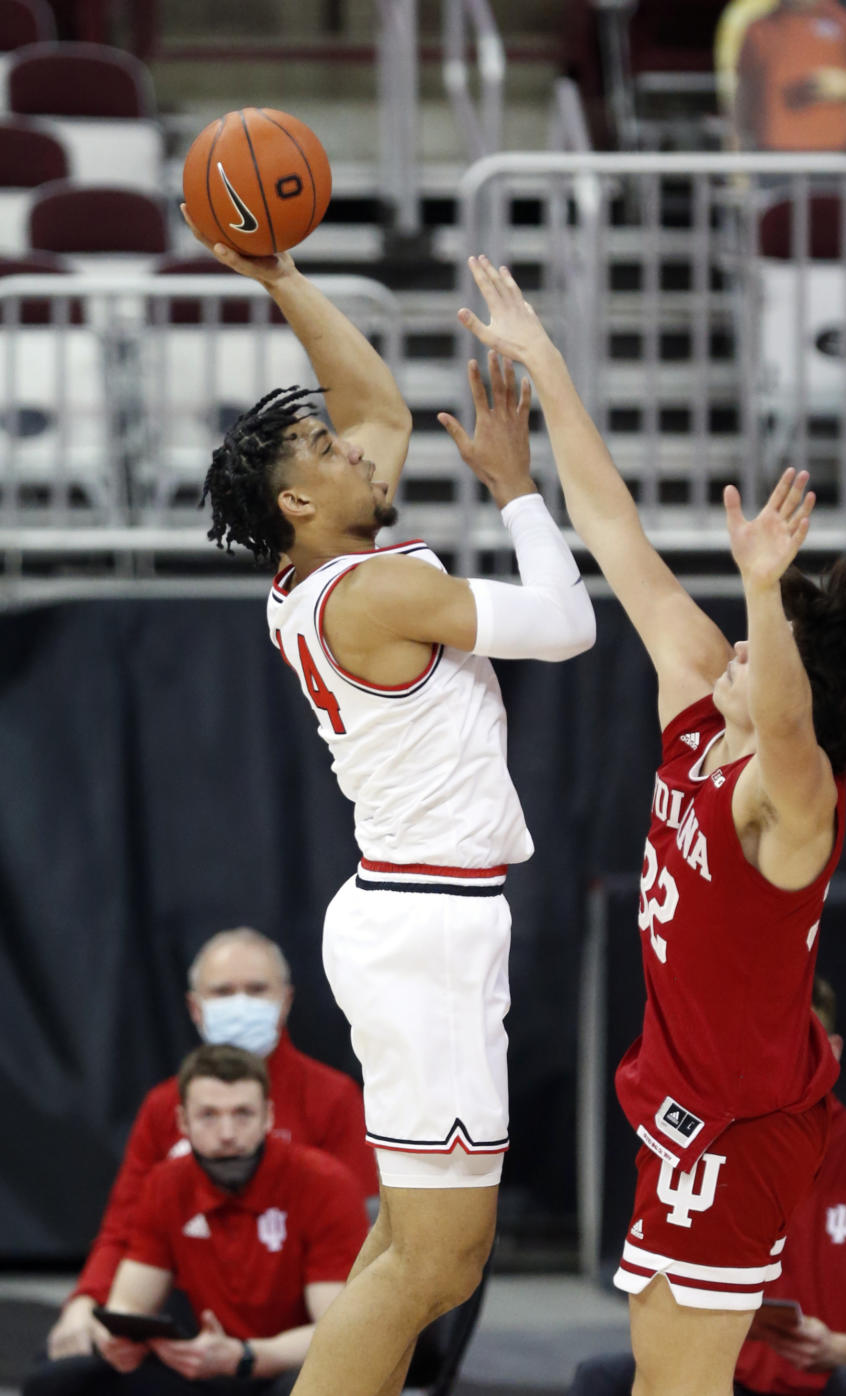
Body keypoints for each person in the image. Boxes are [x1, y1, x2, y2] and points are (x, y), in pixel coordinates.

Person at [457, 255, 846, 1396]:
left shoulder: (791, 805)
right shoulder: (703, 701)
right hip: (689, 1106)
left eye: (766, 652)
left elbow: (798, 732)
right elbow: (616, 535)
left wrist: (769, 588)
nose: (740, 647)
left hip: (739, 1125)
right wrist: (550, 369)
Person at [179, 206, 596, 1396]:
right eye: (326, 456)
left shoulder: (309, 569)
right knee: (437, 1266)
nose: (359, 452)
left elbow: (379, 412)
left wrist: (283, 275)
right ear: (302, 507)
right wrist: (519, 491)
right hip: (426, 928)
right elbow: (565, 627)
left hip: (418, 915)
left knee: (413, 1254)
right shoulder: (368, 594)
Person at [566, 976, 846, 1396]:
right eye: (770, 1051)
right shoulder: (723, 1149)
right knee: (603, 1377)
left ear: (830, 1055)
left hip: (839, 1383)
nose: (781, 1069)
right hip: (739, 1380)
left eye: (798, 1052)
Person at [47, 927, 376, 1361]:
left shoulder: (332, 1100)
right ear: (195, 1007)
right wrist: (86, 1302)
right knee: (65, 1372)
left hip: (304, 1303)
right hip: (193, 1301)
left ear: (286, 1000)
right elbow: (123, 1227)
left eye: (256, 990)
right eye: (223, 992)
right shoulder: (164, 1108)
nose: (226, 1134)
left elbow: (357, 1231)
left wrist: (261, 1352)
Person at [23, 1043, 369, 1395]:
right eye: (209, 1115)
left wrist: (247, 1356)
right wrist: (120, 1340)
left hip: (287, 1363)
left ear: (268, 1116)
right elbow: (130, 1304)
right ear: (183, 1122)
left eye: (243, 1114)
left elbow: (337, 1332)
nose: (228, 1134)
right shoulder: (165, 1183)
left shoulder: (325, 1182)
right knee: (58, 1380)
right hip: (205, 1363)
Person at [733, 0, 846, 155]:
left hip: (835, 149)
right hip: (773, 150)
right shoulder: (759, 27)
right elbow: (745, 87)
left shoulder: (845, 21)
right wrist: (736, 140)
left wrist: (845, 84)